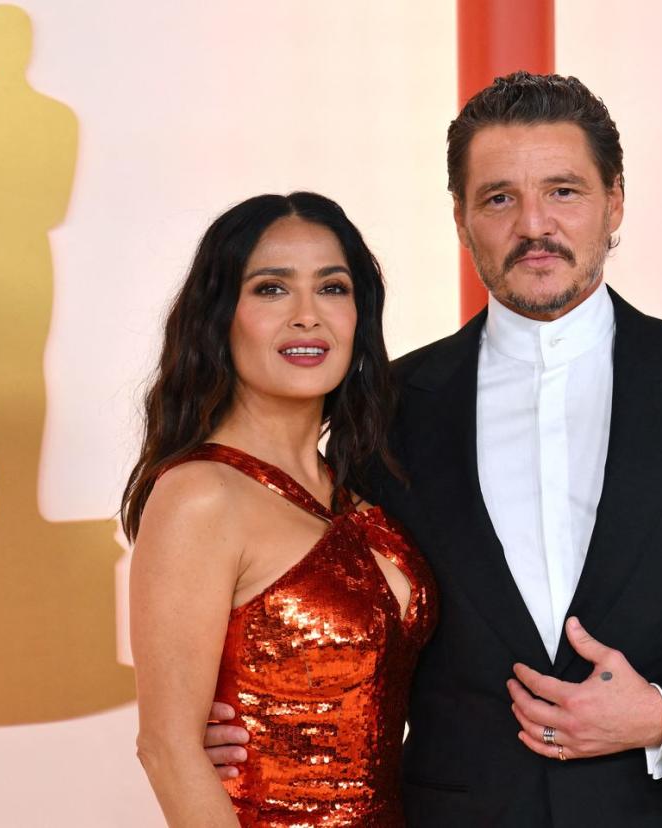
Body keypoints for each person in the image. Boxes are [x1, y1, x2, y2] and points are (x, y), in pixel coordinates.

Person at [203, 73, 662, 826]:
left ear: (615, 202)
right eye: (498, 198)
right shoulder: (380, 406)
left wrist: (661, 716)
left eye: (564, 191)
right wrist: (265, 720)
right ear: (460, 219)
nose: (534, 225)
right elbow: (342, 615)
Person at [123, 192, 437, 827]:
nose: (306, 316)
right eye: (271, 289)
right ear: (221, 317)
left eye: (332, 287)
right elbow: (168, 749)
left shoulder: (362, 489)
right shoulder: (201, 495)